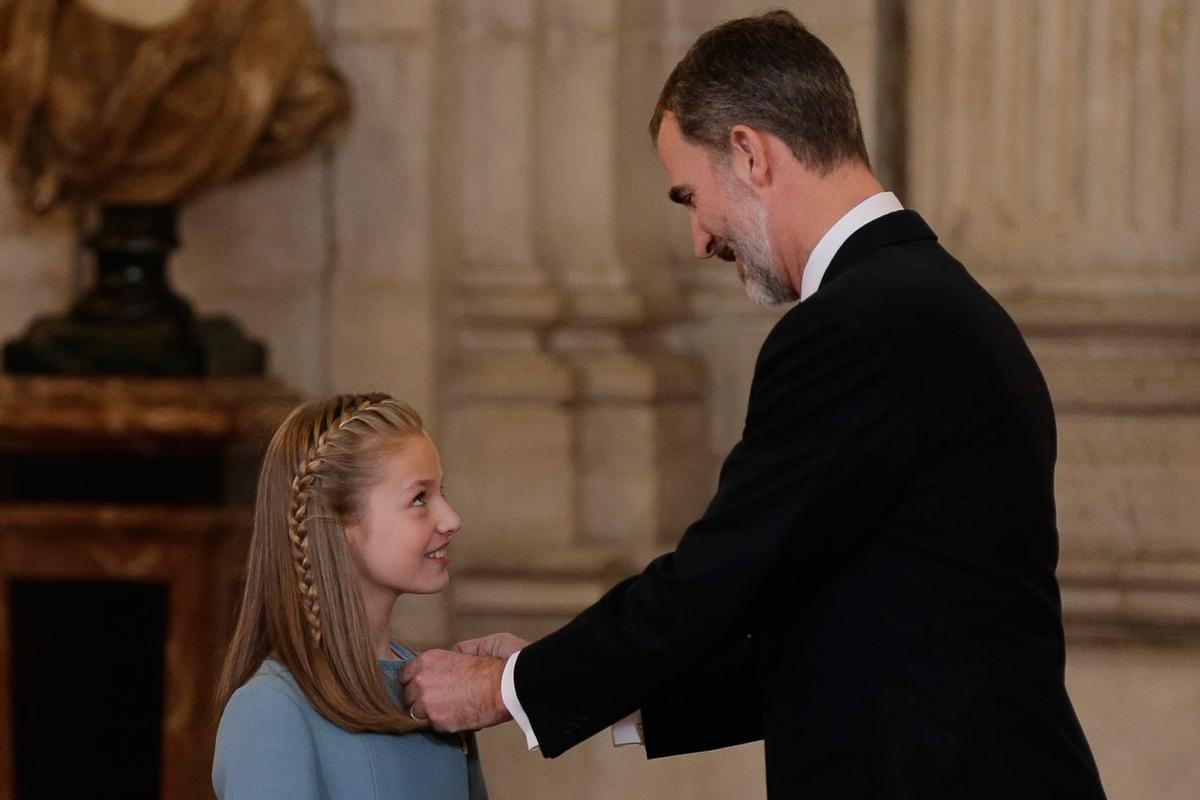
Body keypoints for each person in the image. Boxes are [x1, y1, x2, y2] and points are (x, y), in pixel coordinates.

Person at [400, 11, 1107, 799]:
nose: (701, 240)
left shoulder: (853, 326)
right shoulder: (941, 301)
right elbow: (848, 637)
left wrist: (507, 690)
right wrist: (568, 678)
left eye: (689, 196)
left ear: (749, 152)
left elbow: (719, 577)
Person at [212, 394, 487, 799]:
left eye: (440, 492)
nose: (451, 519)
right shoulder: (270, 711)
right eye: (419, 498)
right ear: (340, 521)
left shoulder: (436, 691)